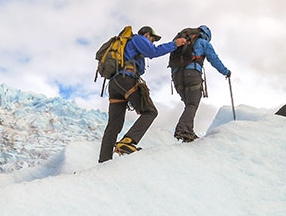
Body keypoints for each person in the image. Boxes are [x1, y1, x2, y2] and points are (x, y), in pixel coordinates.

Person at [98, 26, 186, 163]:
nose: (152, 42)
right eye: (152, 39)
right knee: (150, 111)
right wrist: (175, 44)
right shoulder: (138, 39)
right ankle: (128, 141)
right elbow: (153, 52)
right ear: (146, 35)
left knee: (114, 125)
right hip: (126, 80)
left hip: (115, 84)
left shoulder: (128, 46)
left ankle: (104, 160)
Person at [171, 25, 230, 142]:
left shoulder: (181, 41)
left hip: (176, 77)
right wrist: (226, 72)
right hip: (192, 74)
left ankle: (189, 131)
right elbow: (214, 59)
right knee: (192, 104)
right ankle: (183, 130)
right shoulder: (203, 42)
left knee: (189, 104)